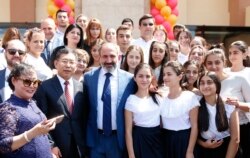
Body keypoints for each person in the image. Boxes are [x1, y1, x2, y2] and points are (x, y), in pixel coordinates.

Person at [83, 42, 135, 158]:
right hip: (95, 139)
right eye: (105, 56)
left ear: (119, 57)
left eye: (112, 56)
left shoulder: (129, 80)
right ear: (99, 57)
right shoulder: (89, 78)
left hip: (118, 139)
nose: (108, 60)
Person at [34, 48, 87, 158]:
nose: (68, 65)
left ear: (76, 65)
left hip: (80, 144)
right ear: (56, 63)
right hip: (58, 145)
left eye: (72, 62)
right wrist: (51, 144)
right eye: (64, 61)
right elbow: (41, 119)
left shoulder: (82, 87)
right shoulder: (44, 87)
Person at [0, 63, 56, 158]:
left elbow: (40, 137)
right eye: (27, 82)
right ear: (14, 80)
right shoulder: (8, 107)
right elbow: (3, 145)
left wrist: (50, 152)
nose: (32, 86)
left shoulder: (32, 103)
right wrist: (34, 132)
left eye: (35, 82)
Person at [203, 48, 250, 158]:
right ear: (205, 65)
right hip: (219, 136)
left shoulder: (239, 79)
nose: (213, 66)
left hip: (242, 131)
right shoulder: (204, 83)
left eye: (217, 62)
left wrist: (238, 104)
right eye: (209, 63)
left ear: (224, 62)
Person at [160, 61, 199, 158]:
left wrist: (189, 151)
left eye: (169, 74)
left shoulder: (190, 97)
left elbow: (195, 126)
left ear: (180, 76)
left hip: (183, 141)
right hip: (165, 141)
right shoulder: (161, 97)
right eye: (164, 74)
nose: (165, 77)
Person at [196, 71, 239, 158]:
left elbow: (235, 138)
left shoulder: (228, 105)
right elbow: (192, 132)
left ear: (217, 85)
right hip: (205, 150)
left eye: (209, 82)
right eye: (202, 83)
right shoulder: (196, 105)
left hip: (227, 149)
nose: (205, 86)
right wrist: (204, 144)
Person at [125, 63, 163, 158]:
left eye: (147, 76)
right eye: (140, 76)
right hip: (139, 140)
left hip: (157, 140)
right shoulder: (131, 100)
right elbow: (128, 131)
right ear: (134, 78)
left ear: (152, 78)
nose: (144, 80)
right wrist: (131, 155)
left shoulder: (159, 97)